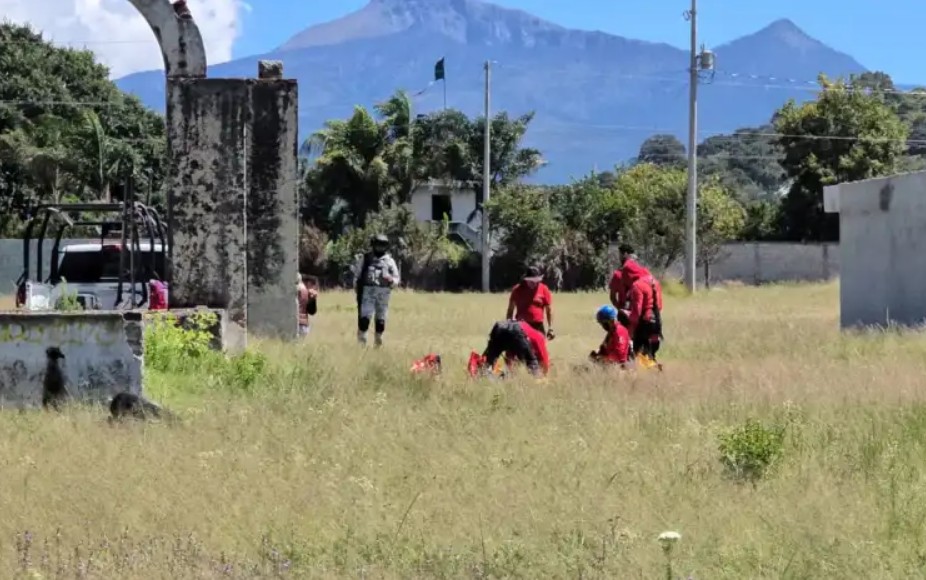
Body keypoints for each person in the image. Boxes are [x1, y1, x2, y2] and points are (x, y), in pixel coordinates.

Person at [354, 234, 400, 347]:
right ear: (373, 244)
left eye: (383, 245)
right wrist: (358, 290)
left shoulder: (390, 261)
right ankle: (361, 344)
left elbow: (396, 278)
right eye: (378, 245)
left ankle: (378, 345)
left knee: (380, 320)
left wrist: (391, 281)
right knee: (364, 319)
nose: (380, 247)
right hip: (367, 292)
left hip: (383, 293)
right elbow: (357, 276)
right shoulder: (365, 258)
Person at [620, 256, 664, 360]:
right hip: (657, 324)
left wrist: (625, 319)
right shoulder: (655, 282)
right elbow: (659, 306)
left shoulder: (637, 285)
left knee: (639, 357)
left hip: (644, 325)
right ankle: (657, 373)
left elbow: (636, 313)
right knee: (651, 356)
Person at [479, 319, 550, 377]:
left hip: (498, 328)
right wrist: (545, 375)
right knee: (531, 362)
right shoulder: (540, 338)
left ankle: (481, 378)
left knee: (488, 363)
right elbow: (544, 360)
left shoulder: (528, 331)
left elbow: (510, 356)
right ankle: (538, 383)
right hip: (516, 330)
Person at [506, 265, 555, 339]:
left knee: (539, 349)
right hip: (521, 326)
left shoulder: (544, 289)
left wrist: (550, 328)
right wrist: (509, 327)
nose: (534, 284)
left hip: (538, 326)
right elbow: (510, 310)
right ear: (526, 279)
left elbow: (549, 311)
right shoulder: (517, 290)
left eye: (536, 281)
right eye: (531, 281)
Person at [297, 274, 318, 338]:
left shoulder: (293, 289)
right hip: (303, 324)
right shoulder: (307, 292)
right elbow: (312, 311)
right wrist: (313, 299)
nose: (314, 288)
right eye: (313, 286)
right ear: (309, 283)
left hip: (293, 322)